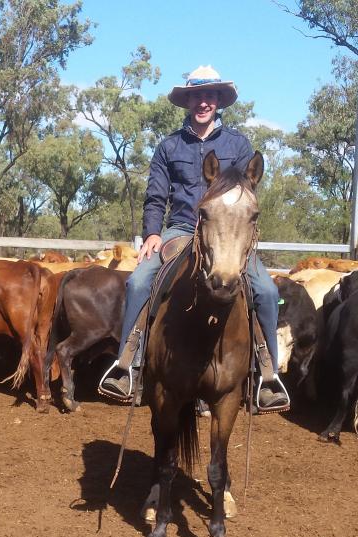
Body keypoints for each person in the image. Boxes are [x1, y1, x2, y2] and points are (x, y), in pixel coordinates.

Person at [98, 65, 290, 412]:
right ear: (188, 101)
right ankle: (128, 365)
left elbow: (247, 195)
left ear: (219, 101)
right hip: (182, 229)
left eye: (210, 95)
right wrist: (153, 233)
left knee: (267, 290)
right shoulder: (169, 146)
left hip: (228, 234)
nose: (204, 102)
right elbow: (155, 196)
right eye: (197, 96)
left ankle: (267, 374)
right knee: (139, 281)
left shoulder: (238, 144)